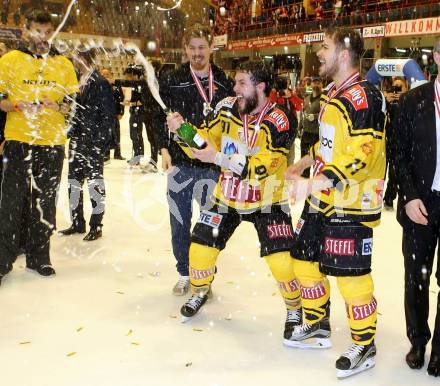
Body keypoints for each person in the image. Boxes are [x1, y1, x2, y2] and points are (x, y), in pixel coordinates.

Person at [167, 60, 301, 339]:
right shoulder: (227, 107)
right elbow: (204, 142)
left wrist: (218, 157)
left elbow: (261, 167)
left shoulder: (280, 119)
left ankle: (294, 309)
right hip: (227, 196)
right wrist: (183, 131)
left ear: (260, 87)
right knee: (200, 250)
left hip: (267, 199)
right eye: (235, 82)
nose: (235, 88)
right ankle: (200, 291)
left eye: (242, 83)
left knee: (282, 262)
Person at [285, 27, 387, 378]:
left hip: (352, 202)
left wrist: (314, 182)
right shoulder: (334, 93)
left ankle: (365, 344)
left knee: (351, 277)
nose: (318, 53)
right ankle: (317, 323)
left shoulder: (365, 97)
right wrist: (306, 160)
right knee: (303, 258)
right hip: (324, 197)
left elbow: (362, 154)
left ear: (344, 55)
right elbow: (332, 145)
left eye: (325, 47)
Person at [155, 23, 234, 295]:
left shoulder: (225, 82)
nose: (197, 53)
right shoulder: (173, 79)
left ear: (212, 48)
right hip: (180, 164)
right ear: (185, 49)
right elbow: (156, 116)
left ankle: (204, 275)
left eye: (202, 47)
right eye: (193, 48)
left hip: (212, 167)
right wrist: (163, 150)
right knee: (179, 222)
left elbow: (234, 123)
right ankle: (184, 271)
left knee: (210, 226)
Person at [0, 9, 79, 284]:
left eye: (48, 32)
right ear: (26, 30)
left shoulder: (64, 65)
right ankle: (3, 260)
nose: (43, 37)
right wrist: (17, 105)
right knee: (10, 203)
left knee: (44, 203)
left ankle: (39, 257)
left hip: (52, 143)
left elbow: (73, 106)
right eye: (37, 31)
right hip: (19, 141)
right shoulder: (9, 61)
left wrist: (56, 105)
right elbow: (0, 101)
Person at [393, 37, 440, 377]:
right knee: (416, 279)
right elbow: (399, 154)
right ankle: (419, 341)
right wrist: (409, 196)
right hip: (420, 203)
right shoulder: (413, 101)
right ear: (437, 56)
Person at [59, 49, 115, 241]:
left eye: (76, 58)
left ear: (85, 60)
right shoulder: (75, 81)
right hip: (76, 141)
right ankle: (77, 222)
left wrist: (100, 142)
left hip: (93, 143)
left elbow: (108, 117)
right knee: (73, 184)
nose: (73, 61)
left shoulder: (100, 83)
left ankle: (96, 224)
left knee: (95, 185)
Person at [298, 76, 322, 177]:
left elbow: (326, 113)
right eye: (314, 83)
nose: (316, 85)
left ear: (321, 84)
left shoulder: (323, 99)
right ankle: (304, 182)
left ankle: (316, 185)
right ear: (311, 84)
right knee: (304, 159)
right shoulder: (307, 98)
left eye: (318, 83)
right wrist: (300, 126)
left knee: (316, 160)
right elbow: (303, 112)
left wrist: (316, 116)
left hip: (317, 134)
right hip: (306, 132)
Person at [101, 68, 125, 160]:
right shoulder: (99, 85)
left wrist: (121, 112)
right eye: (103, 74)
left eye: (107, 74)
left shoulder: (116, 86)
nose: (105, 76)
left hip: (114, 113)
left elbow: (121, 99)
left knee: (117, 134)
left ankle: (117, 153)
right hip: (104, 114)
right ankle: (106, 154)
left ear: (111, 75)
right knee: (106, 134)